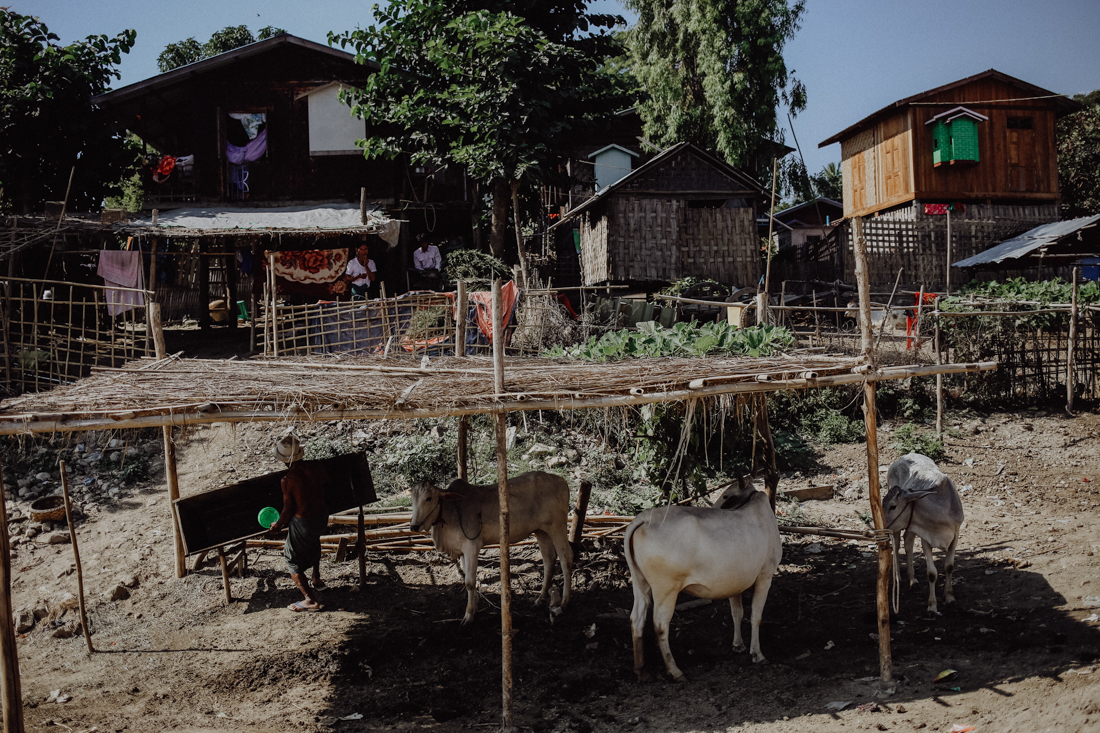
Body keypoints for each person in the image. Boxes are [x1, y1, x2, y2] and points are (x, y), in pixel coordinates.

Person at [268, 434, 329, 612]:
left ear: (285, 460)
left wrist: (278, 525)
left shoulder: (288, 480)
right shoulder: (315, 467)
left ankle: (310, 600)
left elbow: (287, 510)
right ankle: (316, 578)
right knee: (313, 540)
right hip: (321, 516)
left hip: (305, 521)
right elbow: (327, 481)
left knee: (291, 559)